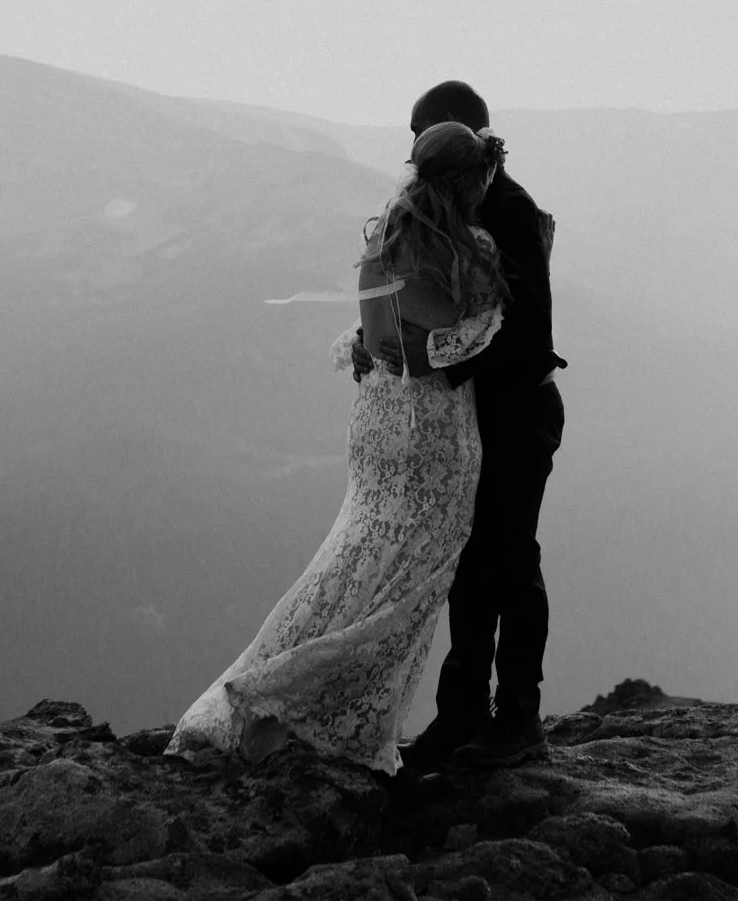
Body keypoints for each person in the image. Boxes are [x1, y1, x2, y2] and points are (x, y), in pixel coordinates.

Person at [168, 121, 509, 773]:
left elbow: (375, 334)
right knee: (408, 586)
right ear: (470, 180)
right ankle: (309, 706)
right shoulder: (472, 248)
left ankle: (273, 689)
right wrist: (469, 328)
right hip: (434, 430)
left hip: (377, 420)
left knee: (349, 560)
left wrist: (377, 344)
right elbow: (465, 338)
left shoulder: (383, 234)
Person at [397, 81, 566, 773]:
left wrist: (437, 359)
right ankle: (461, 712)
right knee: (471, 564)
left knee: (511, 560)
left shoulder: (510, 210)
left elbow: (525, 333)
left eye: (423, 139)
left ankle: (519, 717)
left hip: (519, 411)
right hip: (477, 414)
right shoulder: (463, 206)